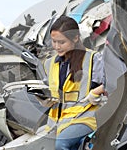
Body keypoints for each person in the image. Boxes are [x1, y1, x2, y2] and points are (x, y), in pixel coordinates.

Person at [37, 15, 106, 150]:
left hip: (85, 117)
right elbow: (48, 90)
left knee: (62, 144)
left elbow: (113, 82)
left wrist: (96, 92)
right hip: (58, 121)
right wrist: (43, 98)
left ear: (75, 38)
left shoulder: (93, 59)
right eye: (54, 41)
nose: (57, 46)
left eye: (61, 42)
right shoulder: (49, 63)